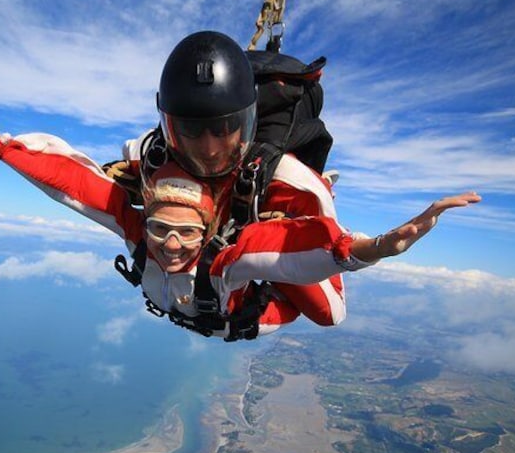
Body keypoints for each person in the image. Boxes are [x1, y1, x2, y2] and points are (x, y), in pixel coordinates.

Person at [0, 85, 481, 340]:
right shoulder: (139, 230)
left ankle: (289, 209)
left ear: (209, 228)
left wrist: (379, 245)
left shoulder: (228, 259)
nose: (169, 244)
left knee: (329, 314)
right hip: (206, 307)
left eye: (185, 232)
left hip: (249, 303)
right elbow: (73, 183)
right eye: (161, 228)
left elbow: (299, 253)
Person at [119, 30, 349, 326]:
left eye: (224, 128)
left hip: (253, 252)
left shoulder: (292, 182)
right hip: (200, 276)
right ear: (169, 127)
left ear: (246, 121)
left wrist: (261, 247)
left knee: (323, 312)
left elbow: (333, 309)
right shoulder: (152, 154)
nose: (209, 150)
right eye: (191, 130)